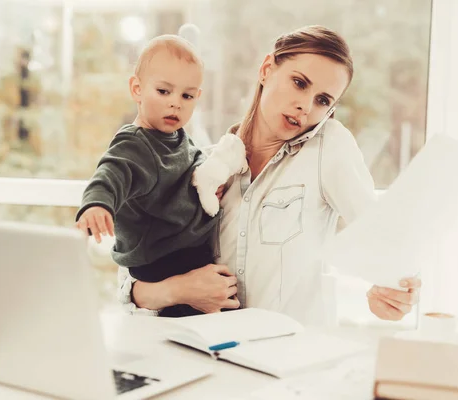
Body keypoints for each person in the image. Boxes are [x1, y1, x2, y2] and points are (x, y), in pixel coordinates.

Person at [117, 25, 422, 325]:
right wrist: (180, 290)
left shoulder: (328, 148)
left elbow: (382, 238)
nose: (305, 105)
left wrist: (393, 291)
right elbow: (130, 285)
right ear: (266, 70)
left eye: (323, 101)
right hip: (211, 360)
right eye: (300, 83)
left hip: (292, 364)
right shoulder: (204, 167)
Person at [75, 35, 244, 318]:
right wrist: (97, 204)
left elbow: (193, 167)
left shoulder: (179, 138)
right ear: (137, 89)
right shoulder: (134, 144)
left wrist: (211, 184)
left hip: (188, 258)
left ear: (197, 98)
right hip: (161, 264)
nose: (175, 103)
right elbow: (110, 173)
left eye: (186, 96)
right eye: (164, 91)